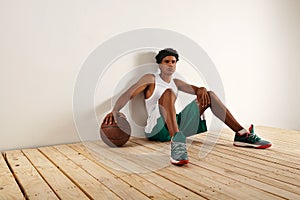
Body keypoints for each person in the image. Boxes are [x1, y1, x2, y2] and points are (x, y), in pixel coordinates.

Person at [103, 48, 272, 165]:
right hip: (155, 129)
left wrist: (202, 90)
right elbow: (128, 94)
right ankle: (177, 142)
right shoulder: (150, 78)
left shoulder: (177, 82)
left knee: (210, 95)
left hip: (174, 122)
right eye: (166, 61)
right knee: (168, 94)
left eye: (173, 61)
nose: (170, 64)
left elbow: (197, 90)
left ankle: (241, 134)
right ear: (160, 65)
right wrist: (115, 110)